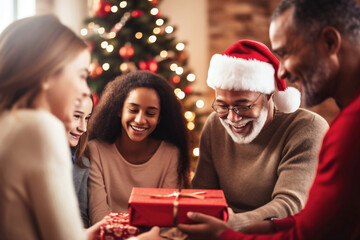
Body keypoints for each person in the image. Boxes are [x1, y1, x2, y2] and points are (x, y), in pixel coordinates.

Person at [177, 0, 360, 239]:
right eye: (222, 106)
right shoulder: (348, 121)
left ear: (330, 42)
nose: (281, 73)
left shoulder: (343, 128)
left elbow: (307, 230)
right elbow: (315, 223)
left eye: (285, 53)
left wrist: (227, 231)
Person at [189, 39, 328, 231]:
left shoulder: (307, 128)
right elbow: (203, 193)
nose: (232, 118)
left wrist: (232, 225)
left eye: (243, 106)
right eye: (222, 106)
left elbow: (290, 205)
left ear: (269, 95)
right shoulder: (214, 124)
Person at [0, 15, 104, 239]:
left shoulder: (8, 123)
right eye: (81, 76)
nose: (86, 91)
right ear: (47, 75)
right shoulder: (40, 128)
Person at [87, 70, 191, 225]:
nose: (140, 120)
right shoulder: (96, 150)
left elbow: (165, 218)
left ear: (159, 118)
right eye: (133, 110)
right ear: (118, 110)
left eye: (150, 113)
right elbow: (99, 217)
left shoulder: (170, 154)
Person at [68, 95, 94, 228]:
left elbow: (81, 216)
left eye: (87, 118)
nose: (83, 128)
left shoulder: (82, 162)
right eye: (77, 116)